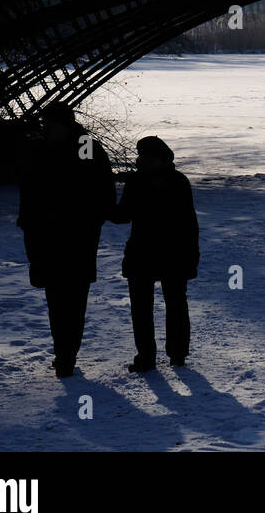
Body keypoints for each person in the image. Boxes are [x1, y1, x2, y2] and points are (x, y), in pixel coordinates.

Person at [17, 102, 115, 378]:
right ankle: (65, 354)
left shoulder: (79, 147)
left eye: (50, 124)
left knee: (68, 299)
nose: (46, 128)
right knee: (61, 299)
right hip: (56, 236)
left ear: (63, 124)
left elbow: (98, 187)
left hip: (72, 236)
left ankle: (66, 355)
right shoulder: (47, 148)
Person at [110, 136, 200, 372]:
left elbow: (189, 223)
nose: (142, 160)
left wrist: (192, 255)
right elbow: (123, 215)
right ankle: (152, 356)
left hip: (166, 254)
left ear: (161, 158)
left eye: (147, 156)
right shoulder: (144, 181)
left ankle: (174, 355)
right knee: (148, 308)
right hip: (150, 253)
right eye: (142, 155)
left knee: (171, 306)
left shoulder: (169, 181)